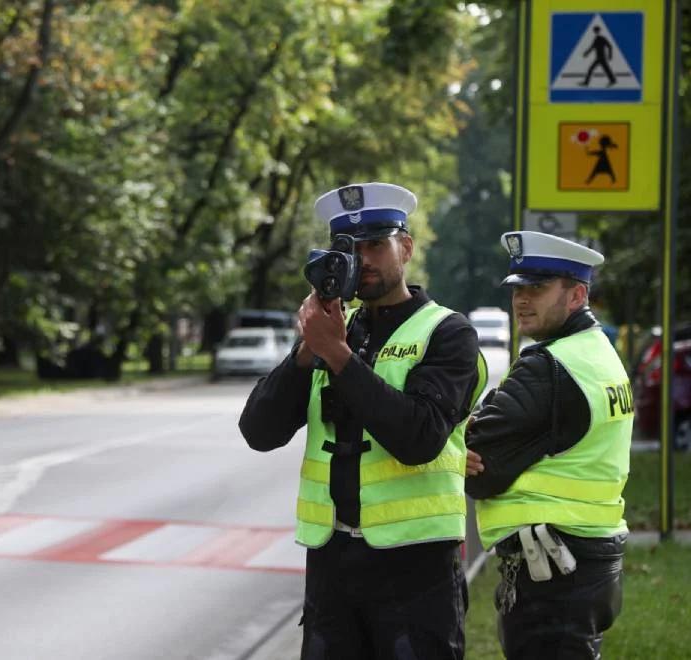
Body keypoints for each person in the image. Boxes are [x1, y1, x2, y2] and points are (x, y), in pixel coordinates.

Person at [239, 182, 485, 659]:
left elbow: (418, 438)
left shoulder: (448, 332)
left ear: (406, 248)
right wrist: (306, 355)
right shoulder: (335, 329)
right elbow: (258, 432)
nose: (362, 259)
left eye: (376, 244)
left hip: (414, 569)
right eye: (347, 249)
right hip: (333, 566)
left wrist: (339, 357)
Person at [465, 231, 629, 659]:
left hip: (554, 575)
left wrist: (472, 430)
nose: (522, 299)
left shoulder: (549, 368)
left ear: (576, 295)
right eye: (519, 288)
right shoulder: (599, 353)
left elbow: (482, 464)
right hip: (589, 563)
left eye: (537, 288)